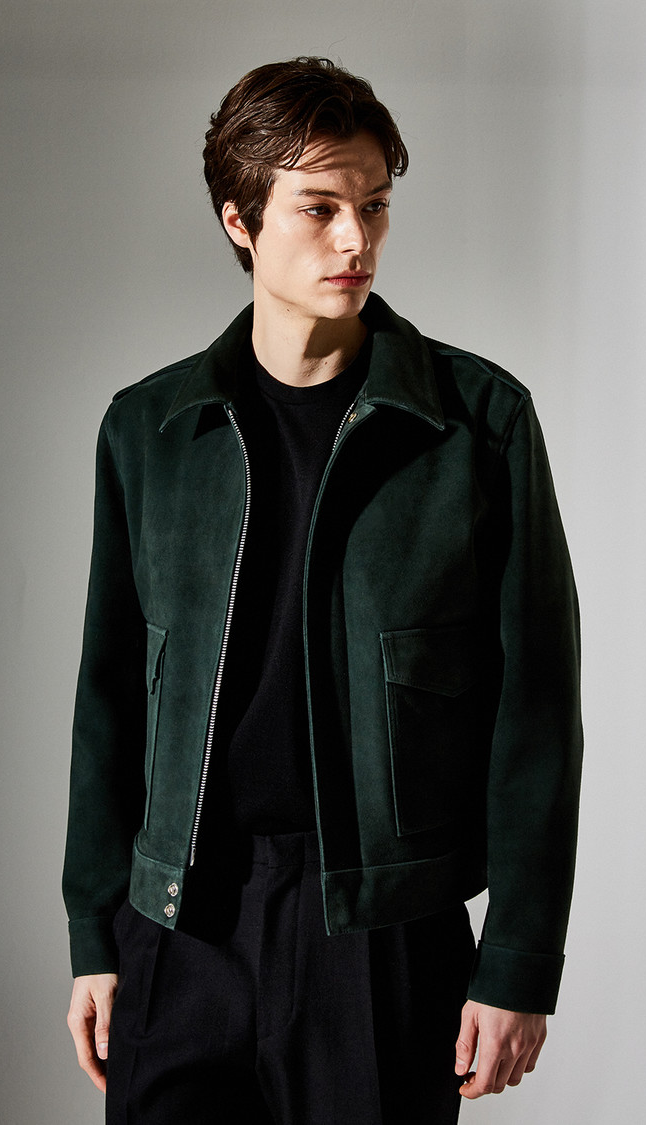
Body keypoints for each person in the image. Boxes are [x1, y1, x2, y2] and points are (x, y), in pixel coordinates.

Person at [64, 56, 582, 1124]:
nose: (358, 240)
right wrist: (95, 932)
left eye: (375, 205)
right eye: (320, 208)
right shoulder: (149, 431)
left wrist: (520, 960)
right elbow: (109, 695)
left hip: (382, 931)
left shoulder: (478, 425)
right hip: (180, 926)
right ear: (240, 221)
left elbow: (536, 710)